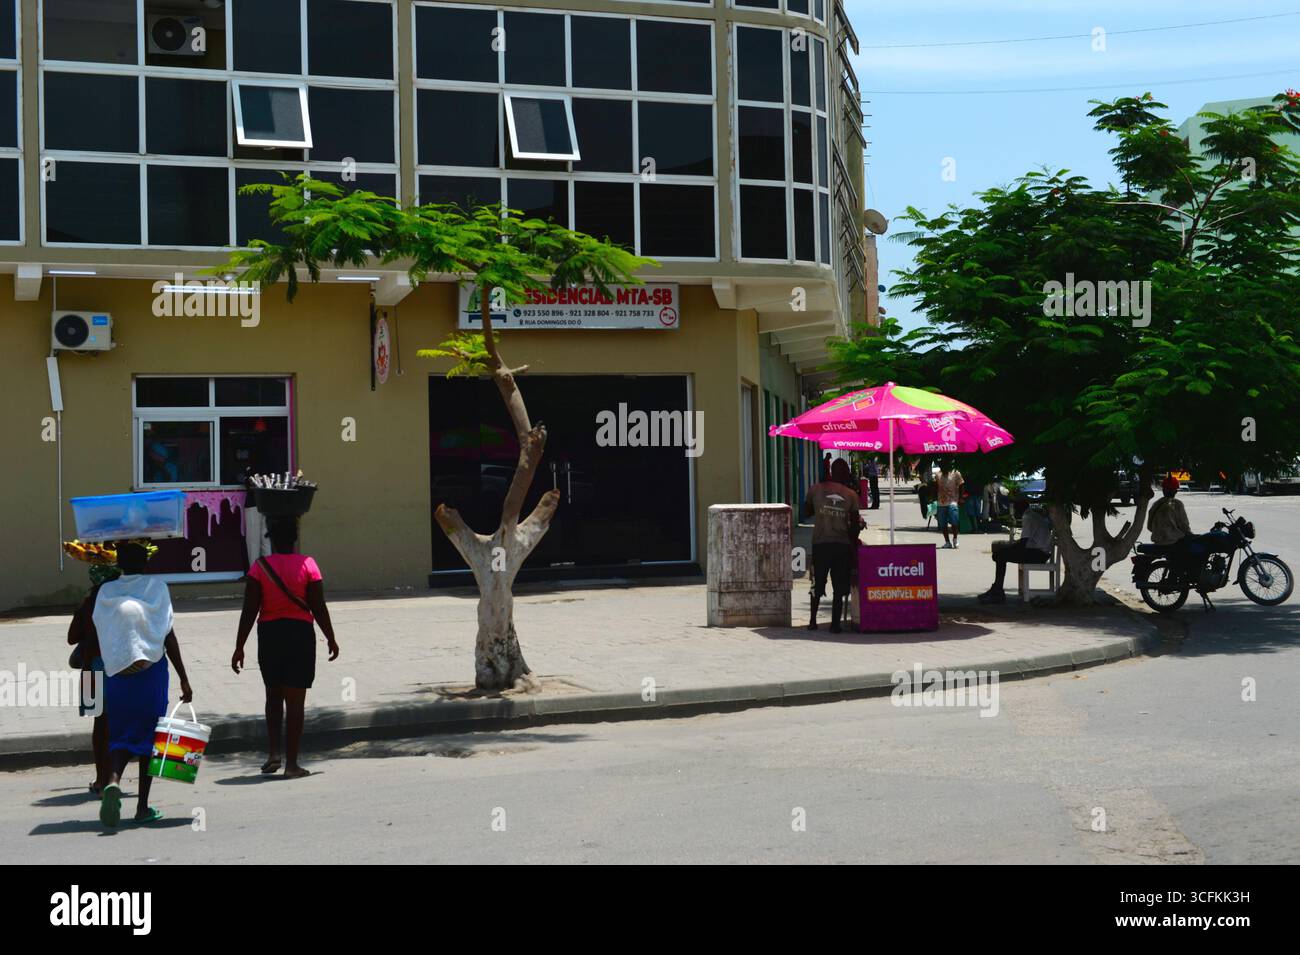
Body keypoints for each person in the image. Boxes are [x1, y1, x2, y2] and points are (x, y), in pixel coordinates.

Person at [88, 541, 193, 827]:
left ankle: (112, 780)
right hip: (151, 674)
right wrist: (184, 677)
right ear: (145, 563)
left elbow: (99, 629)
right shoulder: (157, 587)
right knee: (150, 740)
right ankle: (143, 807)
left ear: (118, 563)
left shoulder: (105, 591)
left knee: (120, 735)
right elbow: (167, 636)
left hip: (117, 675)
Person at [232, 517, 339, 779]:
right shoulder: (309, 565)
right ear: (294, 540)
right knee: (295, 701)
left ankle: (273, 754)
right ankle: (292, 765)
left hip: (269, 635)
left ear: (271, 539)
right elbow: (318, 606)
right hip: (300, 635)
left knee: (273, 696)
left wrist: (239, 646)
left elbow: (249, 610)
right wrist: (331, 637)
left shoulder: (260, 567)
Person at [802, 458, 862, 633]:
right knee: (839, 586)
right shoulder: (851, 495)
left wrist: (822, 510)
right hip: (841, 545)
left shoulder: (815, 490)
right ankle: (835, 624)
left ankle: (812, 621)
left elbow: (807, 512)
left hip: (820, 544)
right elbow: (856, 524)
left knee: (816, 583)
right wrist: (852, 543)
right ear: (845, 473)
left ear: (831, 471)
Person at [978, 505, 1054, 604]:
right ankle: (997, 588)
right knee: (1000, 554)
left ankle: (998, 591)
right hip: (1040, 551)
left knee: (1000, 556)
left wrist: (1007, 549)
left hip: (1039, 554)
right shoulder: (1032, 515)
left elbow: (1022, 543)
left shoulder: (1028, 517)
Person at [1147, 475, 1192, 544]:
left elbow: (1149, 526)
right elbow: (1184, 525)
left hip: (1157, 541)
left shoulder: (1156, 504)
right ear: (1175, 491)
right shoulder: (1177, 504)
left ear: (1163, 490)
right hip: (1174, 542)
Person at [935, 462, 964, 548]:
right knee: (943, 524)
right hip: (941, 502)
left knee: (954, 521)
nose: (943, 468)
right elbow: (936, 486)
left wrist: (961, 498)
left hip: (953, 501)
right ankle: (947, 542)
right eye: (942, 466)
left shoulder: (956, 473)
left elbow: (962, 485)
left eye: (945, 466)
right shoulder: (938, 475)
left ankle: (955, 539)